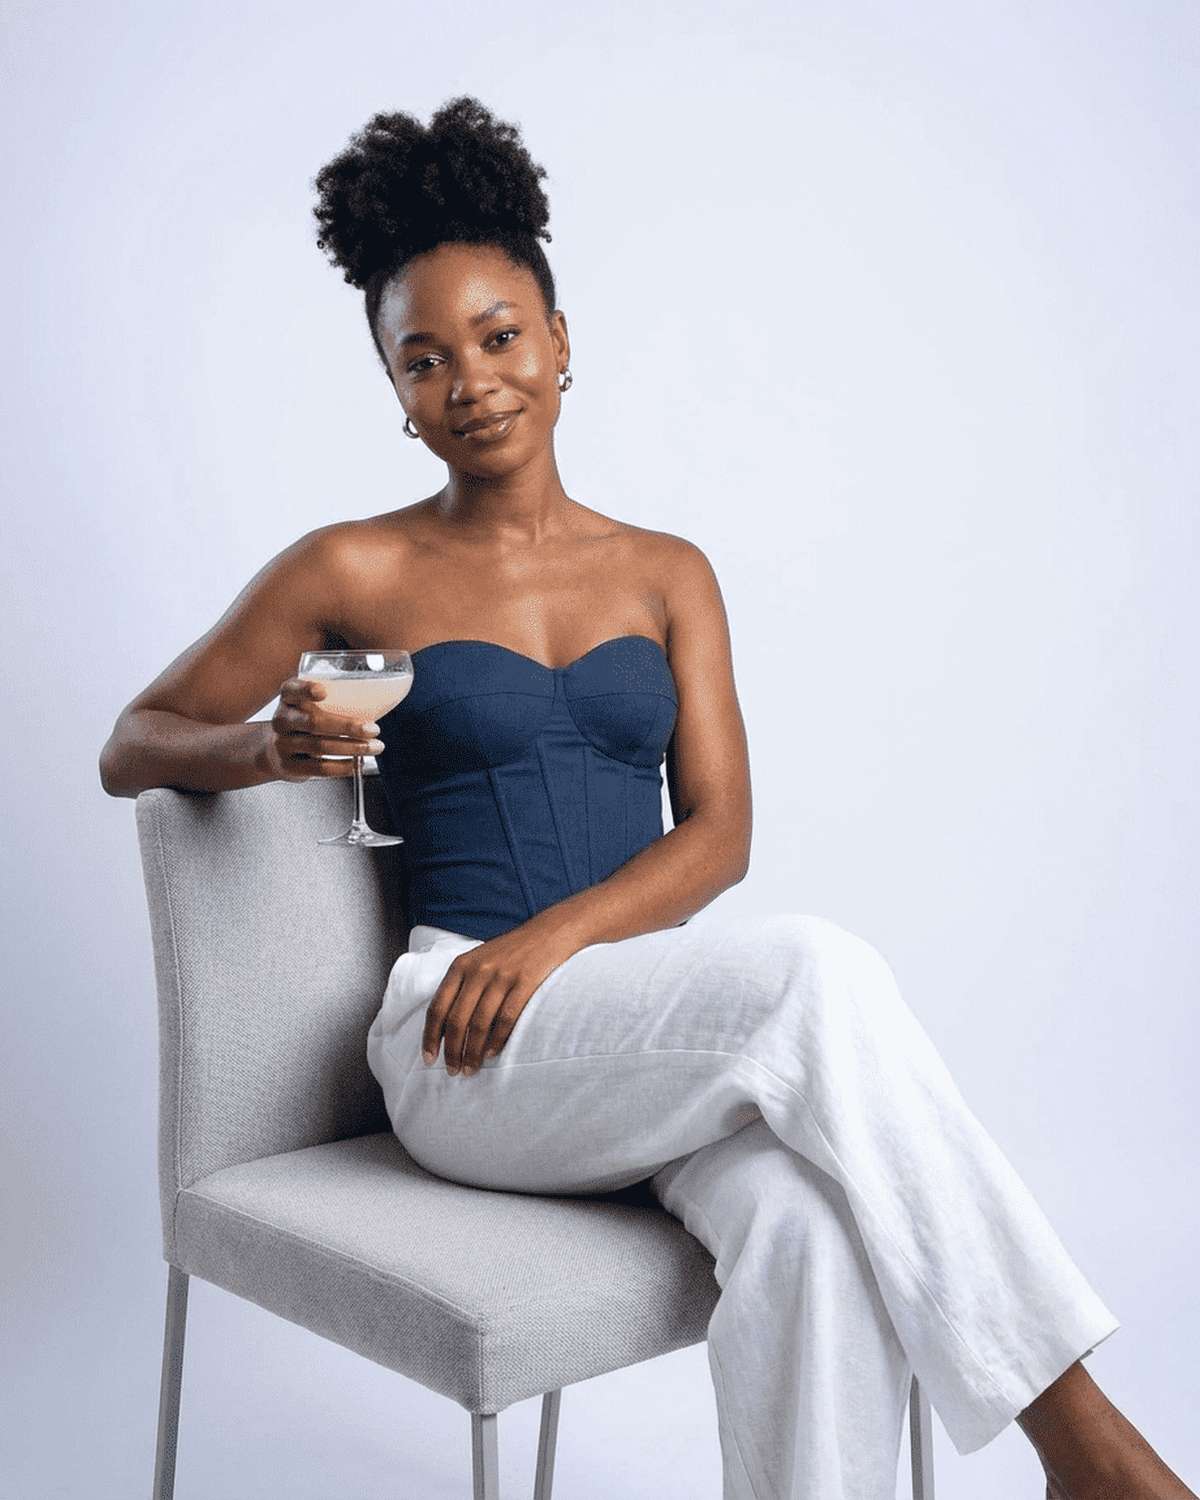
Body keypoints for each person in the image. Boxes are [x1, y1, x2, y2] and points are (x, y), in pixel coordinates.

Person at [100, 97, 1194, 1500]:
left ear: (561, 342)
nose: (472, 381)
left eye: (499, 337)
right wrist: (261, 752)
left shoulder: (669, 571)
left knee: (805, 1225)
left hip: (631, 1027)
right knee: (815, 972)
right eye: (425, 360)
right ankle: (1083, 1442)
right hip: (462, 1043)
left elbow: (720, 834)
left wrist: (557, 942)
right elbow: (135, 741)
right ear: (394, 390)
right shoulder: (351, 570)